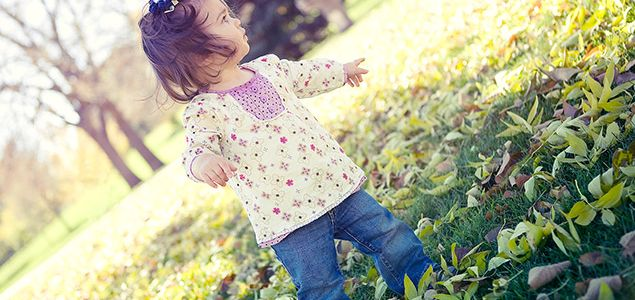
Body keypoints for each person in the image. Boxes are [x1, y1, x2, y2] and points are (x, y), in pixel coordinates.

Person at [138, 0, 439, 298]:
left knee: (391, 235)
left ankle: (424, 285)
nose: (237, 21)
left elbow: (306, 74)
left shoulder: (269, 68)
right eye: (223, 20)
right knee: (321, 287)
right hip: (289, 218)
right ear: (198, 53)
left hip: (334, 185)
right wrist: (203, 162)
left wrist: (341, 71)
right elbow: (195, 148)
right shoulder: (205, 110)